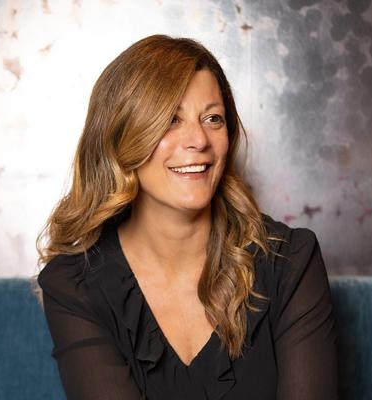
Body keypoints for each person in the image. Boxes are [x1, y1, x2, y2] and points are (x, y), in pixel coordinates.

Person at [35, 34, 338, 400]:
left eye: (213, 118)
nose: (199, 140)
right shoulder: (74, 285)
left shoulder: (290, 260)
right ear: (121, 138)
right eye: (171, 120)